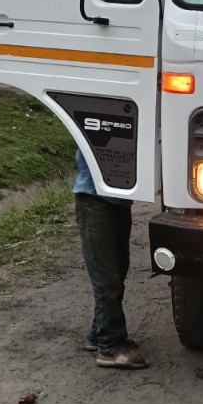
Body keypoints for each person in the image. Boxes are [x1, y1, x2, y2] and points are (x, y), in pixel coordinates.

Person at [73, 149, 148, 369]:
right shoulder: (99, 118)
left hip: (118, 200)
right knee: (106, 278)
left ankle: (98, 334)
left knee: (117, 270)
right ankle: (110, 346)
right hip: (94, 199)